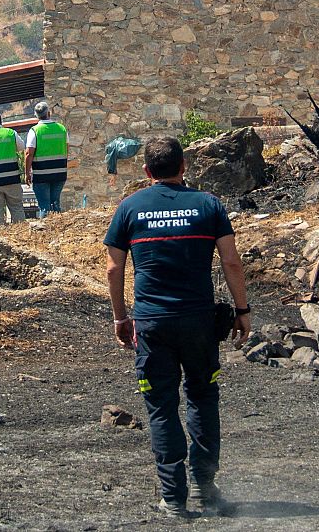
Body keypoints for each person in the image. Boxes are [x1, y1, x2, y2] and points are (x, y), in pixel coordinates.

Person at [105, 137, 250, 519]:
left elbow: (113, 268)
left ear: (146, 171)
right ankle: (205, 486)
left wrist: (121, 317)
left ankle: (173, 498)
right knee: (203, 397)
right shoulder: (208, 205)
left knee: (161, 407)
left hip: (152, 324)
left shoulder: (129, 207)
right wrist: (242, 309)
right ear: (184, 167)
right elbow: (232, 263)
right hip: (200, 322)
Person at [25, 100, 67, 218]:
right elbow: (66, 149)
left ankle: (47, 232)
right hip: (60, 173)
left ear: (36, 116)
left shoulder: (34, 131)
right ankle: (59, 229)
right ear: (49, 113)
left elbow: (29, 153)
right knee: (55, 204)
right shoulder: (62, 128)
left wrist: (27, 173)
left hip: (41, 174)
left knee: (44, 206)